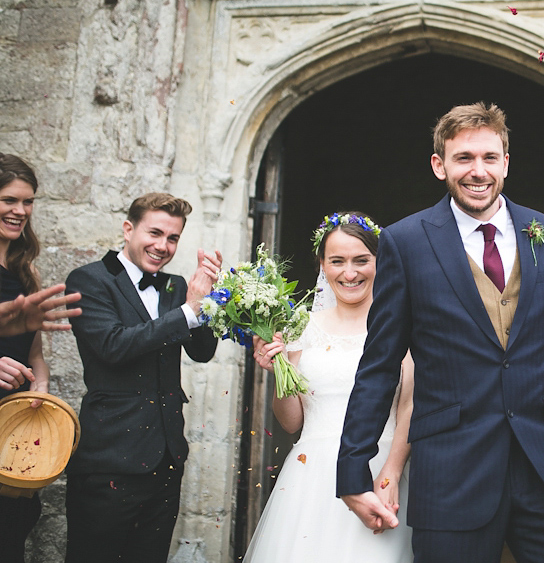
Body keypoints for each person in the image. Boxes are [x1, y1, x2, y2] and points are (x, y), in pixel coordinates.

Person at [337, 102, 544, 563]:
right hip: (453, 473)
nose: (477, 171)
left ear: (505, 163)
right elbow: (379, 367)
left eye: (489, 158)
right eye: (463, 158)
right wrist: (351, 470)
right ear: (440, 165)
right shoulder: (406, 241)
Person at [244, 212, 414, 562]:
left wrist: (391, 473)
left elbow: (409, 407)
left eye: (361, 260)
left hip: (378, 469)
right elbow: (291, 422)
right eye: (337, 261)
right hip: (310, 477)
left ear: (380, 262)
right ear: (323, 264)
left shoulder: (403, 324)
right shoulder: (298, 328)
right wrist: (278, 369)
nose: (349, 273)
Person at [64, 192, 223, 563]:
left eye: (173, 238)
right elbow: (113, 346)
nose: (162, 246)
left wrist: (208, 300)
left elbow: (202, 351)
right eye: (154, 233)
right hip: (109, 460)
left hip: (166, 459)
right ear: (128, 229)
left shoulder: (174, 286)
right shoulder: (88, 279)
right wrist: (188, 309)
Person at [0, 153, 79, 563]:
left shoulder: (20, 271)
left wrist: (42, 388)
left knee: (11, 534)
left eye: (28, 202)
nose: (20, 211)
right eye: (10, 200)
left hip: (11, 431)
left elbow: (33, 352)